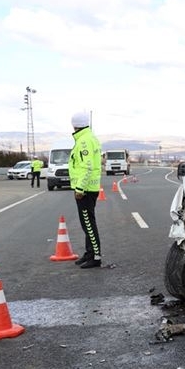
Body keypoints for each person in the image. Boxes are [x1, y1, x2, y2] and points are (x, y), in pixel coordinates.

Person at [69, 111, 103, 269]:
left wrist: (80, 188)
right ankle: (89, 253)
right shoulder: (88, 138)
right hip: (89, 187)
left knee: (88, 224)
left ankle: (96, 256)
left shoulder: (84, 141)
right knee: (87, 223)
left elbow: (87, 167)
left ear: (75, 125)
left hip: (86, 189)